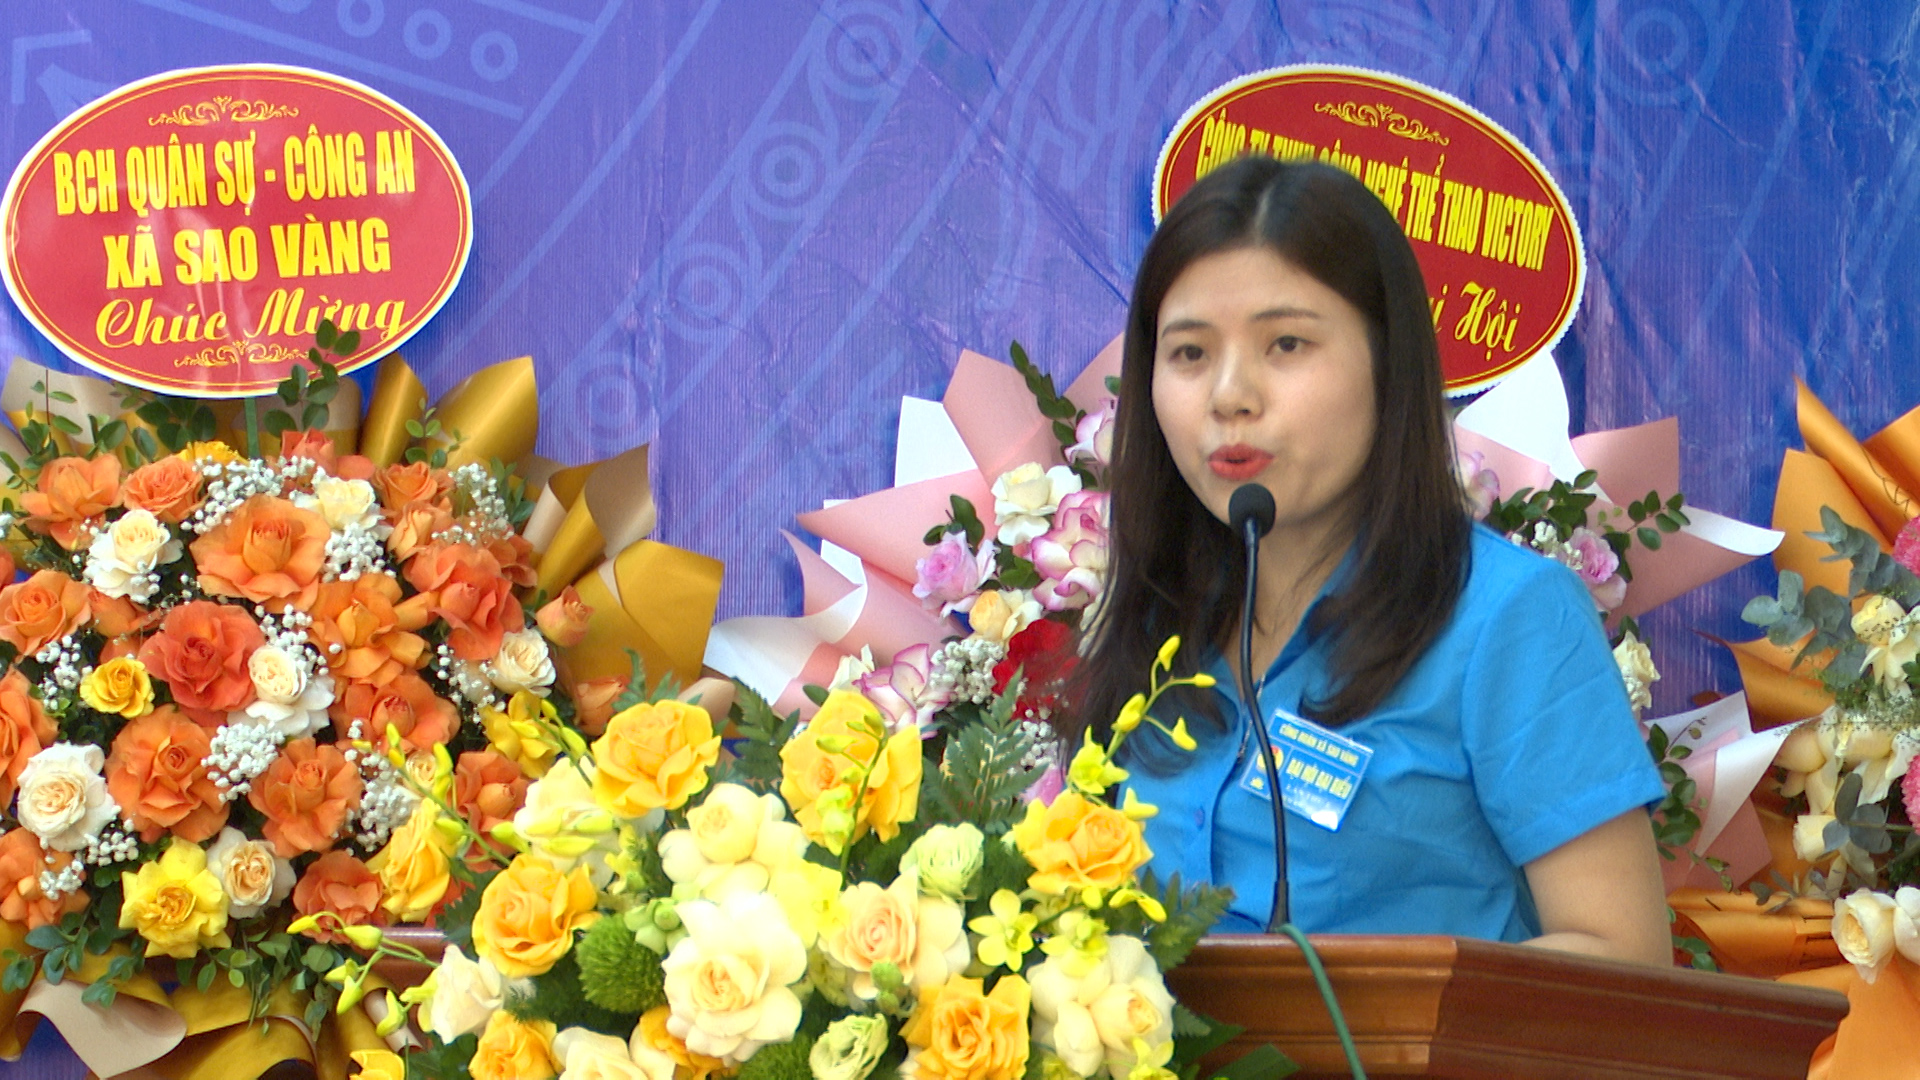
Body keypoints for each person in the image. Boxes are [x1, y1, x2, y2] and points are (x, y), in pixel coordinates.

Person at [1070, 155, 1670, 965]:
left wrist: (1390, 1005)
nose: (1229, 395)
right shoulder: (1156, 613)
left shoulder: (1508, 617)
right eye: (1188, 354)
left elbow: (1627, 959)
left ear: (1389, 365)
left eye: (1286, 344)